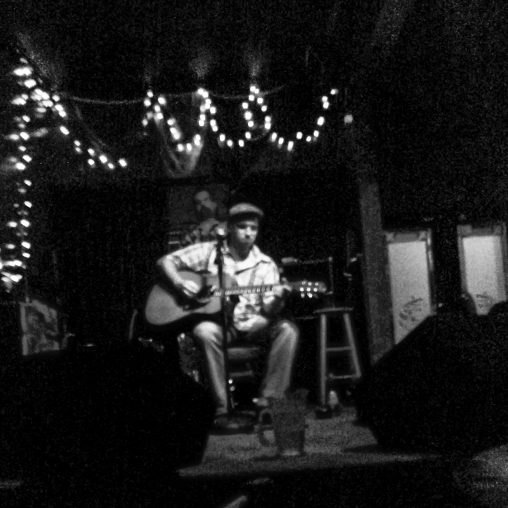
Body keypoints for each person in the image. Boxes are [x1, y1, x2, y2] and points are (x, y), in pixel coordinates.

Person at [157, 202, 300, 432]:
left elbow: (268, 311)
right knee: (203, 331)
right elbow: (165, 261)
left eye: (253, 228)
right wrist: (179, 282)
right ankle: (222, 409)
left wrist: (278, 299)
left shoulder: (266, 265)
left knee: (287, 330)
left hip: (253, 325)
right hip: (221, 325)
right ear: (230, 228)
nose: (248, 233)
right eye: (242, 227)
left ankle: (269, 403)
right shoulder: (209, 252)